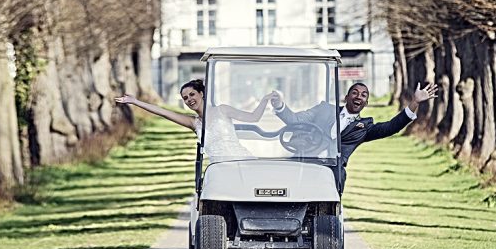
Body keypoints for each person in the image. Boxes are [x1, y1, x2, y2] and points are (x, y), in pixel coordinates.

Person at [270, 81, 438, 188]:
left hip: (331, 170)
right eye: (355, 93)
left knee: (336, 176)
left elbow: (391, 127)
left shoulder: (365, 127)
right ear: (346, 97)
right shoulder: (323, 109)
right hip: (305, 159)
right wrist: (279, 105)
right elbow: (295, 120)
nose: (359, 96)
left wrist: (414, 102)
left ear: (366, 103)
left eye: (364, 95)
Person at [115, 79, 276, 162]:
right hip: (219, 169)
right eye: (185, 98)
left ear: (201, 94)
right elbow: (163, 112)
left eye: (192, 94)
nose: (189, 99)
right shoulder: (194, 122)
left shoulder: (222, 110)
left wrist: (265, 99)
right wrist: (135, 102)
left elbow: (254, 117)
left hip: (240, 160)